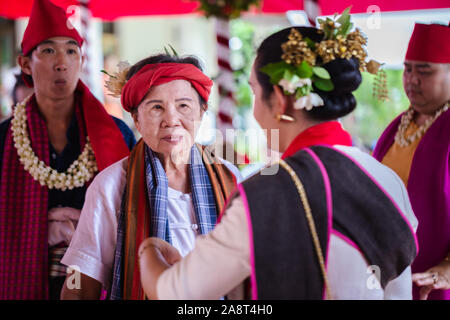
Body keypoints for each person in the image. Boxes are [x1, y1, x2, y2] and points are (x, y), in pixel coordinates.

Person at [138, 21, 419, 300]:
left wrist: (149, 249)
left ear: (281, 100)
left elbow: (175, 293)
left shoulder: (265, 194)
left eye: (256, 92)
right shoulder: (386, 180)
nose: (256, 109)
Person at [60, 53, 242, 300]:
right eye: (156, 107)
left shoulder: (229, 178)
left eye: (183, 106)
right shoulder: (112, 185)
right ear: (136, 118)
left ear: (201, 112)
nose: (171, 120)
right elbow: (79, 283)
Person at [0, 0, 135, 300]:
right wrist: (39, 230)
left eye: (71, 50)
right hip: (18, 280)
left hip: (96, 284)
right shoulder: (4, 139)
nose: (62, 62)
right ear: (25, 64)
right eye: (48, 50)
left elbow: (137, 208)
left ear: (82, 60)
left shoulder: (116, 134)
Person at [373, 23, 450, 300]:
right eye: (408, 69)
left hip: (434, 277)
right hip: (387, 270)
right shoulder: (397, 127)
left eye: (425, 71)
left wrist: (447, 267)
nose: (411, 79)